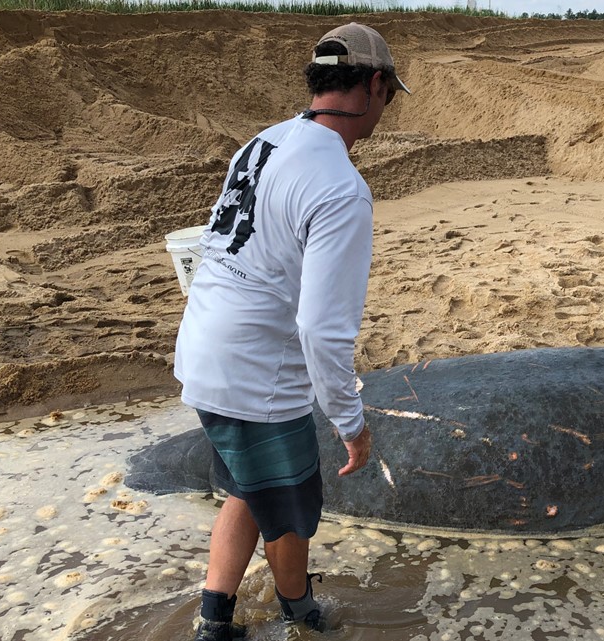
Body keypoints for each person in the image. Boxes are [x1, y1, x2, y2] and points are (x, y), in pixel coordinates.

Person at [173, 23, 409, 641]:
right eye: (388, 95)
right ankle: (302, 615)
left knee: (246, 488)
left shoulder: (264, 141)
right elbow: (323, 331)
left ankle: (216, 621)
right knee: (291, 514)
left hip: (202, 348)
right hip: (259, 377)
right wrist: (351, 423)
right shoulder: (340, 188)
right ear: (374, 86)